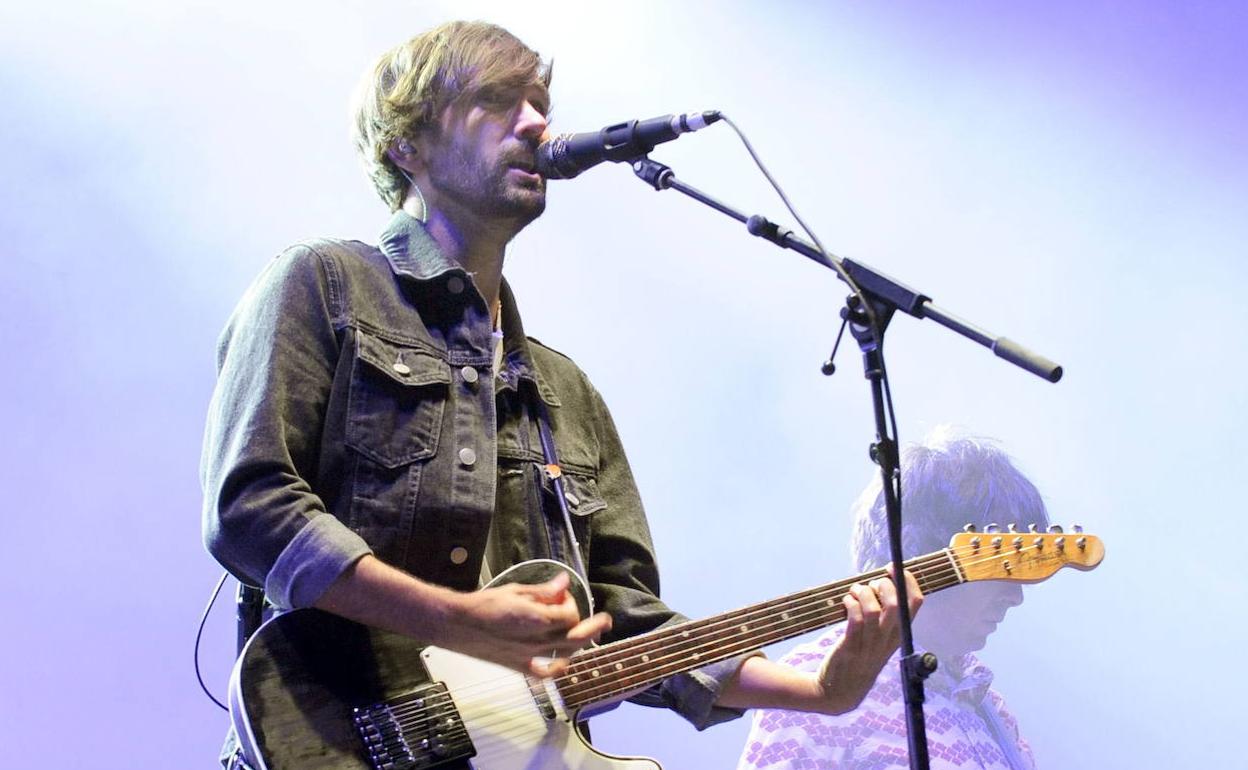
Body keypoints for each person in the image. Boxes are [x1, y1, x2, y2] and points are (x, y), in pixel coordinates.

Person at [200, 20, 921, 769]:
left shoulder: (565, 392)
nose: (539, 122)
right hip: (331, 734)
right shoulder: (323, 285)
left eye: (540, 100)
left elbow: (629, 621)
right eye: (496, 100)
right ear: (405, 145)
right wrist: (457, 621)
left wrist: (824, 692)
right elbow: (251, 509)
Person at [737, 428, 1048, 770]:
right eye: (1002, 566)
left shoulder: (989, 708)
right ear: (924, 555)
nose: (1015, 595)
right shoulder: (809, 678)